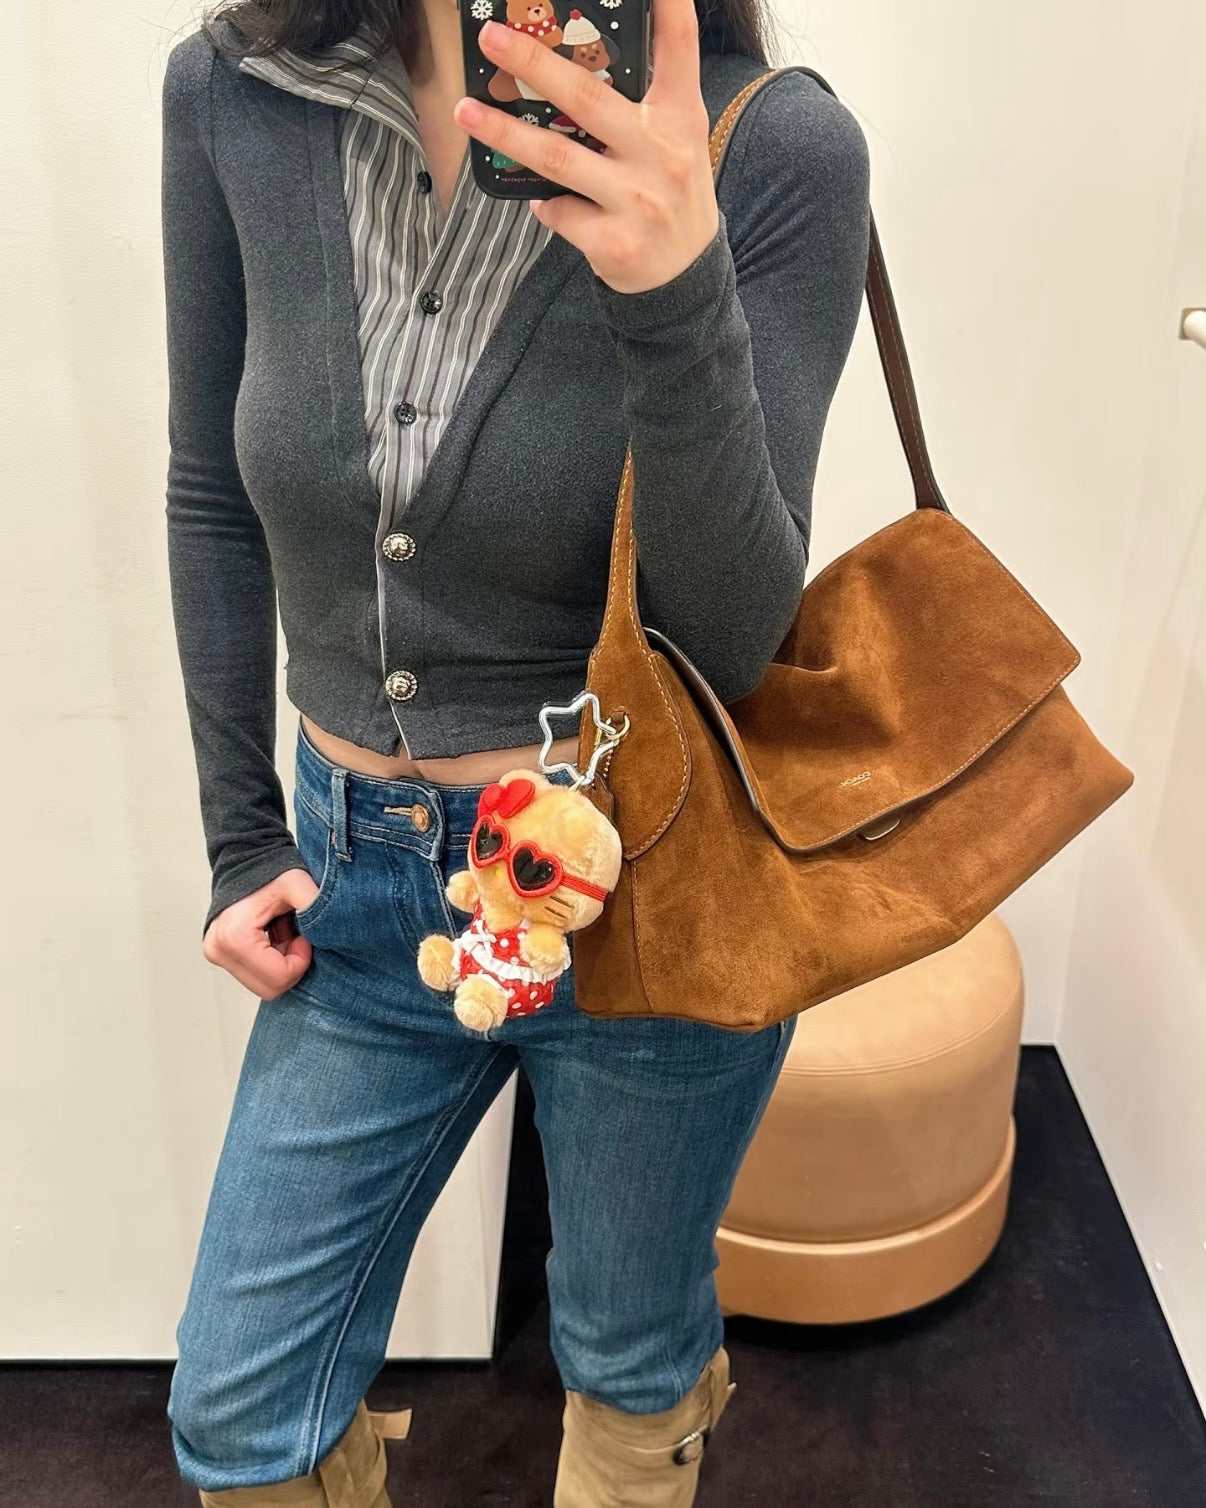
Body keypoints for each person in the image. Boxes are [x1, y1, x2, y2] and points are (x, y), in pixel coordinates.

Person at [158, 0, 870, 1498]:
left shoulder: (769, 145)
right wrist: (239, 835)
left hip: (650, 892)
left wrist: (672, 288)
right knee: (238, 1412)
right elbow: (209, 489)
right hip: (355, 886)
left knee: (625, 1351)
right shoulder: (239, 91)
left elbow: (731, 636)